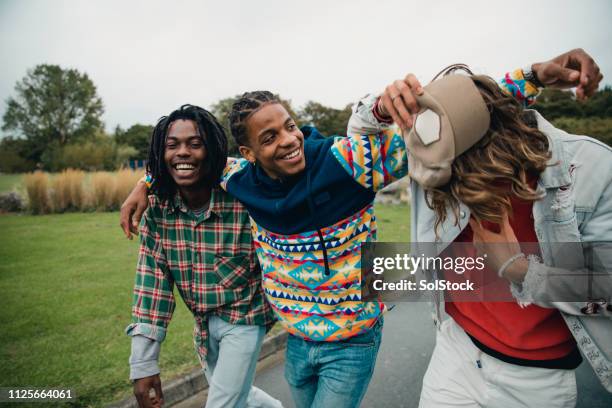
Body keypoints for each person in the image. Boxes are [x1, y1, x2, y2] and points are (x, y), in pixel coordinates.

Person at [120, 49, 602, 408]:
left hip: (353, 340)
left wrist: (534, 77)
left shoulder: (346, 162)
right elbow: (195, 164)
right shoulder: (239, 179)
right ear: (248, 153)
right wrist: (145, 182)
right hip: (299, 340)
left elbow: (452, 112)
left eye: (290, 126)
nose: (289, 141)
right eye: (270, 137)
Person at [348, 53, 610, 407]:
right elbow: (359, 140)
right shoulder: (434, 151)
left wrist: (520, 270)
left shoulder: (592, 171)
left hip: (535, 377)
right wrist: (382, 106)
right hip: (456, 351)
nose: (449, 195)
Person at [125, 105, 280, 408]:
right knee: (242, 395)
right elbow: (151, 286)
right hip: (204, 325)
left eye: (195, 144)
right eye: (172, 145)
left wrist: (144, 182)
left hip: (248, 316)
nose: (183, 152)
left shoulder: (243, 190)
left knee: (222, 403)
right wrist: (143, 366)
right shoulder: (158, 208)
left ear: (213, 151)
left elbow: (270, 162)